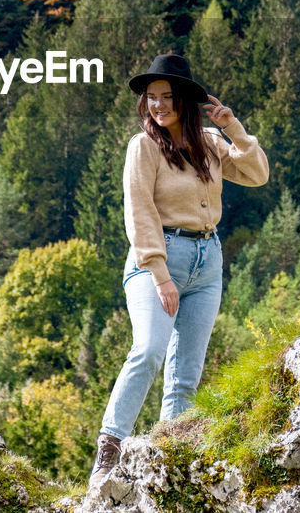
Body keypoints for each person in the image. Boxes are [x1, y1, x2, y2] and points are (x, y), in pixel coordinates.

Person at [90, 53, 269, 488]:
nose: (158, 105)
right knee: (149, 350)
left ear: (185, 100)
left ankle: (168, 457)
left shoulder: (209, 141)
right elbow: (140, 210)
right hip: (159, 260)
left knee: (186, 372)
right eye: (151, 98)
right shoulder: (143, 146)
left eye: (167, 97)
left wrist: (234, 128)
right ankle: (110, 448)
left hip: (208, 260)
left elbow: (256, 173)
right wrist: (160, 274)